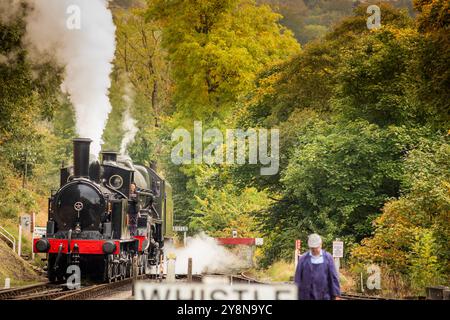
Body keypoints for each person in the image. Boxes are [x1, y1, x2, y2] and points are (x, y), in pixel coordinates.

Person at [294, 233, 341, 300]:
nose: (315, 250)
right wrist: (295, 294)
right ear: (310, 247)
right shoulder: (303, 259)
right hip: (306, 296)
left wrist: (336, 294)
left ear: (321, 245)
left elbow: (333, 277)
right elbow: (297, 279)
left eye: (316, 248)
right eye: (313, 248)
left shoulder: (328, 258)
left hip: (324, 296)